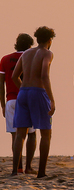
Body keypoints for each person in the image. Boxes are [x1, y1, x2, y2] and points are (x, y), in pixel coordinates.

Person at [11, 26, 56, 178]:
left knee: (20, 134)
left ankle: (14, 171)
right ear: (50, 40)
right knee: (46, 133)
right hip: (38, 92)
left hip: (23, 93)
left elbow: (14, 76)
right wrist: (51, 98)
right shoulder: (47, 53)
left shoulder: (26, 53)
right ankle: (41, 173)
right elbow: (44, 75)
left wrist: (24, 89)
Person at [0, 33, 37, 174]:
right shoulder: (32, 58)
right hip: (28, 98)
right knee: (32, 134)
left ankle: (18, 168)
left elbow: (0, 84)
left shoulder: (5, 59)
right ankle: (28, 167)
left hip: (11, 100)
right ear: (30, 45)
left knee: (16, 136)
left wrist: (3, 104)